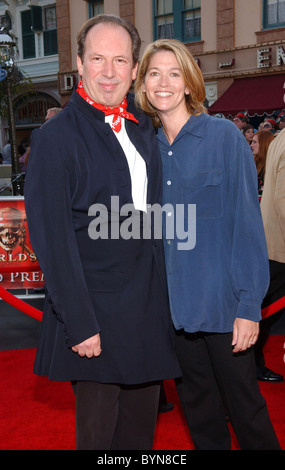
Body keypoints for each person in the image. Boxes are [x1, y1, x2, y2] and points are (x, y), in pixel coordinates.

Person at [24, 15, 180, 451]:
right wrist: (80, 324)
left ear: (134, 69)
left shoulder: (143, 128)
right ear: (79, 63)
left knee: (139, 435)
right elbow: (53, 242)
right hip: (95, 316)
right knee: (99, 438)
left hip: (147, 311)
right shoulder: (54, 138)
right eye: (97, 58)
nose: (108, 72)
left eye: (119, 60)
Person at [135, 38, 281, 450]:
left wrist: (250, 306)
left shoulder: (222, 137)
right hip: (173, 313)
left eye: (174, 73)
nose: (163, 82)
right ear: (143, 85)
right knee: (200, 417)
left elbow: (246, 227)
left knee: (248, 412)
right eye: (154, 73)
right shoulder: (144, 149)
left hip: (224, 308)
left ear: (188, 83)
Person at [258, 129, 285, 382]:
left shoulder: (280, 138)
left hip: (273, 240)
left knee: (265, 309)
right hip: (280, 244)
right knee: (265, 310)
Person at [250, 130, 275, 198]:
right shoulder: (252, 163)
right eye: (251, 142)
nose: (251, 145)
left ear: (263, 144)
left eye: (254, 142)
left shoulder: (272, 166)